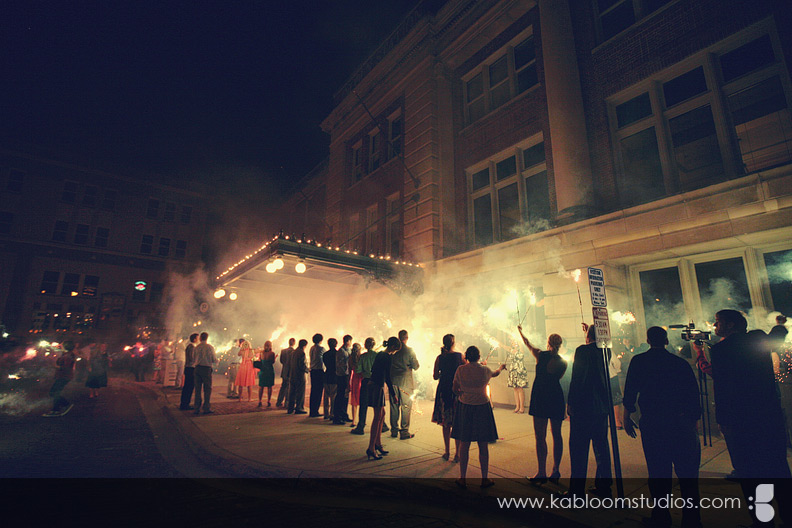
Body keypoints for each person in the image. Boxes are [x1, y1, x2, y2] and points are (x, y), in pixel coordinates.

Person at [694, 310, 791, 526]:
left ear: (730, 325)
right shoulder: (756, 338)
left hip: (741, 420)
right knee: (777, 466)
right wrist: (779, 324)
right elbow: (776, 336)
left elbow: (722, 385)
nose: (715, 326)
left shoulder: (721, 349)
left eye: (718, 322)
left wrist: (723, 419)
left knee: (749, 472)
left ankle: (763, 521)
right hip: (767, 415)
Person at [623, 326, 702, 528]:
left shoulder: (639, 361)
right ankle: (692, 520)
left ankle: (661, 517)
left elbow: (631, 390)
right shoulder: (679, 363)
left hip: (654, 423)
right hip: (679, 423)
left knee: (658, 471)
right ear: (666, 340)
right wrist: (692, 420)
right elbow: (693, 393)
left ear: (648, 340)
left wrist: (627, 414)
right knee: (687, 475)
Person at [566, 323, 613, 499]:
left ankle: (576, 491)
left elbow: (577, 378)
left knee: (579, 449)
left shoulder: (582, 351)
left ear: (588, 337)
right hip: (600, 406)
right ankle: (604, 486)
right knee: (601, 446)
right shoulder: (605, 351)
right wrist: (590, 333)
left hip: (583, 406)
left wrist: (570, 402)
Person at [518, 325, 567, 484]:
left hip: (540, 396)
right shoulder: (563, 362)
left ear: (548, 343)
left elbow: (527, 343)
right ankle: (556, 470)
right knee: (557, 435)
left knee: (540, 436)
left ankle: (541, 472)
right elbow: (558, 378)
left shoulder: (540, 355)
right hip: (555, 397)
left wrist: (520, 331)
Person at [451, 345, 505, 489]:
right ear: (479, 356)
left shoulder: (461, 370)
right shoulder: (484, 370)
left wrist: (462, 394)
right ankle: (484, 478)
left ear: (466, 356)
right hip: (482, 406)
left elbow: (454, 388)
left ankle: (462, 478)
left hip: (465, 406)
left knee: (464, 443)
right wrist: (501, 367)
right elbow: (495, 374)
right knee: (483, 444)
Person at [431, 334, 465, 462]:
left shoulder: (440, 358)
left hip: (444, 390)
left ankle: (447, 451)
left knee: (446, 423)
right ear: (453, 343)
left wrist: (442, 374)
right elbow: (465, 369)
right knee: (457, 422)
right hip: (456, 391)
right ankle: (458, 454)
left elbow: (434, 376)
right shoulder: (459, 356)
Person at [366, 336, 400, 460]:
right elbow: (388, 377)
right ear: (392, 347)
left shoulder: (380, 354)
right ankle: (371, 447)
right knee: (377, 416)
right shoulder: (387, 357)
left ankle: (377, 444)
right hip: (377, 386)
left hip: (373, 384)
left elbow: (374, 369)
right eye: (395, 350)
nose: (395, 353)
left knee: (382, 414)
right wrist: (393, 394)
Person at [390, 329, 420, 439]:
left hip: (393, 381)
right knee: (406, 406)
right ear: (406, 338)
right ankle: (404, 431)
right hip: (405, 382)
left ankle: (394, 430)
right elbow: (416, 366)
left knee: (394, 406)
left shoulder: (393, 351)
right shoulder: (409, 351)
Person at [352, 338, 385, 435]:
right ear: (374, 345)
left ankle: (361, 426)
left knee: (363, 405)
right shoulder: (377, 356)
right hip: (376, 381)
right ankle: (382, 425)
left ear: (365, 345)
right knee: (377, 405)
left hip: (366, 381)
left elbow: (357, 370)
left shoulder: (363, 357)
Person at [44, 341, 77, 417]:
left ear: (66, 347)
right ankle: (58, 408)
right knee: (55, 392)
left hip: (64, 376)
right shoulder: (67, 354)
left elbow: (65, 367)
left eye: (62, 345)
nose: (60, 346)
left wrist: (55, 365)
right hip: (63, 376)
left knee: (54, 392)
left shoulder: (68, 356)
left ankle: (59, 408)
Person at [193, 332, 217, 415]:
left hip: (197, 368)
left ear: (200, 338)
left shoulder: (197, 347)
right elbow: (214, 359)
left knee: (198, 389)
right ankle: (206, 407)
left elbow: (193, 358)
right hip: (206, 368)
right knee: (207, 389)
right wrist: (216, 361)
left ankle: (196, 408)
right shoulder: (210, 347)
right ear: (207, 338)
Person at [334, 334, 353, 424]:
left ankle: (344, 414)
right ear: (347, 341)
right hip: (342, 376)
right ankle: (337, 417)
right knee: (341, 396)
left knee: (345, 396)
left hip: (346, 375)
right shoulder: (341, 351)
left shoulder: (347, 350)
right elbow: (343, 364)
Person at [287, 339, 309, 415]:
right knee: (300, 392)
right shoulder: (302, 353)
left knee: (292, 392)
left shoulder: (293, 352)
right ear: (304, 345)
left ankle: (290, 408)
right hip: (299, 375)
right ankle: (299, 408)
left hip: (292, 374)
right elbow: (302, 365)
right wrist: (307, 369)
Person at [506, 342, 528, 413]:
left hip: (520, 370)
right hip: (513, 370)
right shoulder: (511, 350)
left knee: (520, 389)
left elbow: (522, 351)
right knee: (515, 388)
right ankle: (517, 406)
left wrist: (519, 341)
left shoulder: (520, 350)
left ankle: (522, 407)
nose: (513, 343)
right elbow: (504, 346)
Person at [179, 333, 198, 410]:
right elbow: (192, 358)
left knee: (188, 386)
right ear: (194, 339)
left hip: (190, 368)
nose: (199, 339)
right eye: (197, 338)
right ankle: (185, 404)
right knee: (189, 387)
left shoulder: (191, 347)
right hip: (190, 368)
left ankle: (185, 403)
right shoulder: (191, 347)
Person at [308, 333, 325, 417]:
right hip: (319, 371)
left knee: (313, 391)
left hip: (313, 371)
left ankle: (312, 410)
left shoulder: (311, 348)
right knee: (318, 392)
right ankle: (315, 411)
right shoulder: (321, 348)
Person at [276, 338, 295, 407]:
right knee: (289, 387)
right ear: (294, 343)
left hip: (284, 371)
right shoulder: (294, 351)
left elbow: (281, 361)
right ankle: (287, 402)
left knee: (283, 386)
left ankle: (279, 401)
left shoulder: (283, 351)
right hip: (291, 371)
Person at [257, 341, 276, 407]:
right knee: (269, 387)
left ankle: (260, 400)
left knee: (261, 387)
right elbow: (273, 362)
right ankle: (268, 401)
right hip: (269, 371)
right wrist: (275, 357)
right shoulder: (272, 353)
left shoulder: (261, 352)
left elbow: (260, 360)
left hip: (262, 371)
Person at [348, 342, 363, 427]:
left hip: (355, 379)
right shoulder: (361, 357)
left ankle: (353, 420)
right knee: (362, 400)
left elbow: (350, 371)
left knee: (354, 400)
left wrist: (348, 382)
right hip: (362, 378)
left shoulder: (350, 358)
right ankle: (361, 420)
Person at [608, 349, 624, 429]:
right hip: (611, 376)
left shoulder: (588, 351)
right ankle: (617, 421)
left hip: (598, 378)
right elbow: (617, 363)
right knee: (615, 400)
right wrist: (617, 370)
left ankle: (610, 420)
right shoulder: (608, 350)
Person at [323, 338, 338, 420]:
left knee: (326, 396)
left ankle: (326, 413)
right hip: (334, 376)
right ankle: (332, 413)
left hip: (327, 375)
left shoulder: (325, 354)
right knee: (333, 396)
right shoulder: (337, 354)